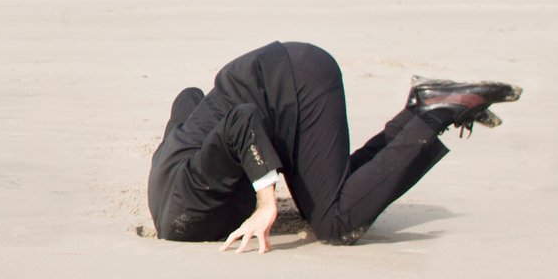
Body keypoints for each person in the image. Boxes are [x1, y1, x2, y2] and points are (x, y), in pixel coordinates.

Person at [148, 41, 522, 252]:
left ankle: (434, 113)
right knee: (329, 197)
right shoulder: (165, 174)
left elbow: (241, 119)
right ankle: (424, 104)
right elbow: (188, 99)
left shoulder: (192, 205)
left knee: (336, 223)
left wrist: (265, 204)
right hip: (278, 76)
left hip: (295, 84)